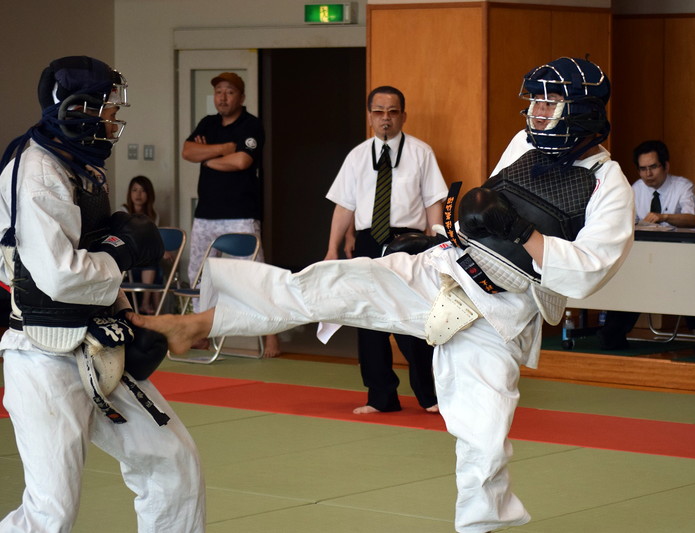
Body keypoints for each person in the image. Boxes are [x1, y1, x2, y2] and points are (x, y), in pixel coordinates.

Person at [132, 57, 633, 533]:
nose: (535, 112)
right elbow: (487, 219)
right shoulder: (525, 144)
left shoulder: (610, 185)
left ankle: (480, 526)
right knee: (325, 285)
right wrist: (443, 237)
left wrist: (523, 233)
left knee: (483, 441)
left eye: (549, 103)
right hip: (444, 269)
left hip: (498, 313)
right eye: (534, 102)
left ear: (581, 111)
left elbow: (588, 272)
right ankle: (200, 323)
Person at [0, 56, 204, 531]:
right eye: (109, 109)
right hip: (41, 355)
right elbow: (58, 275)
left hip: (95, 345)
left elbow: (92, 255)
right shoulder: (35, 171)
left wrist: (129, 318)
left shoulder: (82, 165)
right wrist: (122, 254)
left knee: (173, 463)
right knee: (52, 511)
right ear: (82, 108)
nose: (115, 120)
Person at [324, 86, 447, 414]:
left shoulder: (421, 153)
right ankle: (380, 397)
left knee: (414, 318)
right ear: (369, 117)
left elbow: (434, 201)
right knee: (368, 319)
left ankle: (430, 395)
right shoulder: (357, 156)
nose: (385, 119)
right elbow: (344, 206)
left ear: (403, 116)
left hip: (408, 242)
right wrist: (331, 249)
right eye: (378, 112)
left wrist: (438, 244)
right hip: (367, 241)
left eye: (392, 112)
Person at [597, 140, 695, 350]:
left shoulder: (682, 186)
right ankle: (615, 330)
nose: (648, 174)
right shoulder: (634, 189)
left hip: (680, 256)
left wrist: (664, 217)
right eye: (643, 169)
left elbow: (693, 219)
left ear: (666, 166)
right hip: (645, 258)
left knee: (678, 276)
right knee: (629, 273)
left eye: (653, 167)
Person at [181, 71, 279, 357]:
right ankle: (202, 333)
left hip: (240, 214)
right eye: (219, 92)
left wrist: (208, 155)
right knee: (199, 275)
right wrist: (223, 148)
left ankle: (271, 335)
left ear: (241, 97)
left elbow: (241, 161)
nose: (223, 97)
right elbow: (188, 151)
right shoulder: (208, 123)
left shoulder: (251, 126)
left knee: (253, 276)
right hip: (206, 214)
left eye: (229, 92)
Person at [122, 175, 160, 314]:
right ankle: (148, 305)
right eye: (134, 190)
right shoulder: (124, 212)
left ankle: (155, 311)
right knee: (153, 263)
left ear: (149, 194)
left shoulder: (154, 216)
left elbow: (154, 241)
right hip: (130, 257)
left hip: (145, 257)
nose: (138, 194)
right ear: (129, 193)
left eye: (142, 190)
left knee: (157, 264)